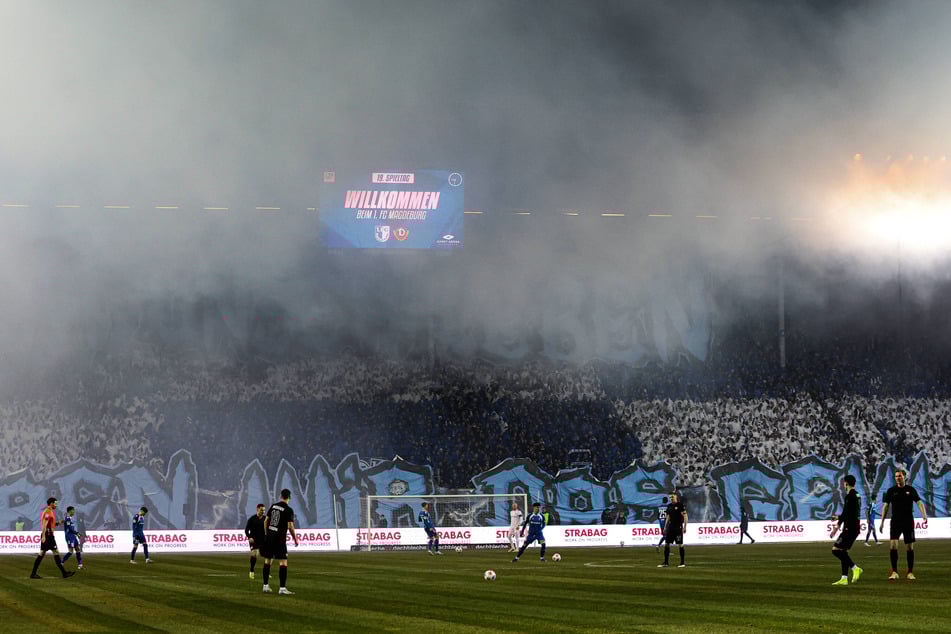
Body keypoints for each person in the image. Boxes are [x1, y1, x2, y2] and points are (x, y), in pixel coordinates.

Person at [879, 469, 927, 581]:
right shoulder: (891, 491)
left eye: (899, 476)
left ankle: (910, 572)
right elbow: (885, 506)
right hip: (895, 521)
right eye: (896, 476)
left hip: (908, 521)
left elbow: (919, 502)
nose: (897, 478)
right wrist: (882, 522)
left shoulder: (910, 490)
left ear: (904, 477)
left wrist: (924, 515)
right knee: (893, 546)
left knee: (909, 547)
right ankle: (894, 572)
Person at [262, 489, 299, 595]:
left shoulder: (273, 506)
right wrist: (295, 538)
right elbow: (290, 526)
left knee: (267, 560)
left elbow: (266, 521)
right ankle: (282, 588)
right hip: (279, 538)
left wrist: (266, 533)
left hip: (269, 536)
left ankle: (265, 586)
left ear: (280, 496)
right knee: (283, 562)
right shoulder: (288, 509)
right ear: (289, 497)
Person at [29, 497, 75, 579]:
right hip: (48, 535)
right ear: (51, 503)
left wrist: (58, 523)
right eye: (55, 503)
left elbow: (50, 524)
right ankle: (64, 573)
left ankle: (33, 573)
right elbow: (44, 524)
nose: (56, 505)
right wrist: (43, 536)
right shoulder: (47, 512)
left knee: (42, 554)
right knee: (55, 552)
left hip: (48, 535)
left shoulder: (49, 512)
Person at [829, 475, 863, 585]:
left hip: (850, 527)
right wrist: (839, 521)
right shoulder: (857, 495)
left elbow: (846, 513)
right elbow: (849, 512)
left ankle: (855, 568)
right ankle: (844, 578)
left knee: (836, 550)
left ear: (846, 483)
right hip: (854, 527)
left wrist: (837, 524)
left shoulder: (850, 496)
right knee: (844, 552)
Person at [658, 492, 687, 568]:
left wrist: (684, 527)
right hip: (670, 527)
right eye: (670, 497)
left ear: (676, 497)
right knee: (667, 543)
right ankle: (666, 562)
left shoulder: (680, 505)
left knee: (680, 544)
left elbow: (685, 516)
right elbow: (668, 517)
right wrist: (665, 527)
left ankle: (682, 562)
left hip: (678, 527)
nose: (671, 498)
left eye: (672, 497)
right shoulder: (669, 506)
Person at [245, 504, 266, 580]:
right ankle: (251, 570)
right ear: (257, 509)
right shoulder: (252, 519)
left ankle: (266, 572)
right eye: (261, 510)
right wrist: (249, 537)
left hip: (263, 539)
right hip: (254, 539)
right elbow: (246, 530)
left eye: (264, 510)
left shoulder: (266, 519)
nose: (263, 511)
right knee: (254, 554)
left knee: (267, 556)